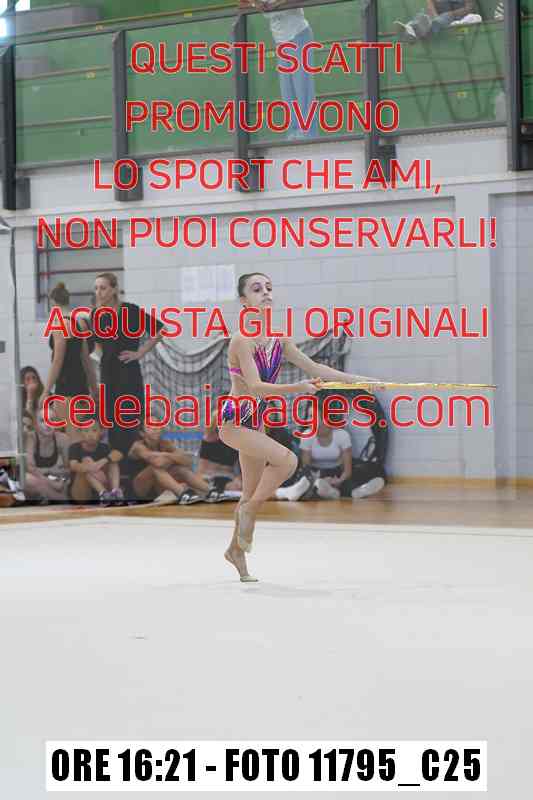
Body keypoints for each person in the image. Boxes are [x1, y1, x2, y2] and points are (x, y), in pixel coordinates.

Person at [218, 272, 386, 581]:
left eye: (269, 288)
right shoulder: (241, 340)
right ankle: (251, 510)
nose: (265, 293)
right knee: (288, 461)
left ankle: (235, 552)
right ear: (244, 301)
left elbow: (316, 368)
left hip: (256, 422)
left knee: (250, 491)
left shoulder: (279, 340)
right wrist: (298, 388)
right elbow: (255, 386)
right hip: (235, 420)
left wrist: (362, 381)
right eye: (256, 289)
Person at [89, 272, 164, 455]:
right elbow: (97, 343)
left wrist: (140, 353)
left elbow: (160, 330)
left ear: (114, 289)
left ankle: (134, 459)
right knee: (112, 420)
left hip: (129, 373)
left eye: (103, 288)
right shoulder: (96, 314)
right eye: (96, 288)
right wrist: (104, 356)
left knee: (130, 418)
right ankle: (117, 461)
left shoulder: (130, 310)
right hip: (108, 374)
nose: (99, 292)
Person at [249, 0, 318, 139]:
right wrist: (255, 4)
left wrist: (277, 4)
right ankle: (293, 132)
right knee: (287, 91)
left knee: (302, 87)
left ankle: (309, 134)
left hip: (298, 35)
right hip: (280, 41)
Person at [41, 281, 97, 440]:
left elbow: (57, 361)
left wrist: (46, 391)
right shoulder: (79, 323)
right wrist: (94, 389)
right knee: (79, 435)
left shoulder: (60, 323)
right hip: (80, 385)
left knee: (72, 437)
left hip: (66, 387)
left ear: (52, 303)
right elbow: (86, 360)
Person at [125, 422, 224, 505]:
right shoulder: (138, 446)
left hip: (156, 488)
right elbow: (157, 462)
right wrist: (173, 457)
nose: (155, 428)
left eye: (157, 425)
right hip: (138, 489)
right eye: (150, 427)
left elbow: (188, 461)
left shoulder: (165, 443)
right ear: (142, 433)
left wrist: (166, 456)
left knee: (180, 470)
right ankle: (183, 494)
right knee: (155, 468)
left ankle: (211, 491)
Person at [68, 418, 123, 505]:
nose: (90, 435)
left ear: (101, 432)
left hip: (101, 482)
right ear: (80, 432)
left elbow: (119, 454)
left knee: (113, 462)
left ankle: (115, 492)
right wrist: (91, 467)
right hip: (81, 492)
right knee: (86, 463)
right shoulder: (75, 447)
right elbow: (73, 466)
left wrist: (102, 462)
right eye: (86, 431)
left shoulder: (104, 447)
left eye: (94, 430)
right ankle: (104, 494)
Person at [22, 410, 70, 503]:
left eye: (51, 420)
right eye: (43, 421)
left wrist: (61, 479)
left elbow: (68, 468)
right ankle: (62, 500)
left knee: (67, 483)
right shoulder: (31, 437)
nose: (48, 424)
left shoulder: (63, 439)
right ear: (36, 425)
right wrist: (52, 483)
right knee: (27, 479)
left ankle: (50, 497)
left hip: (55, 478)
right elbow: (30, 468)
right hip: (39, 480)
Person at [198, 415, 242, 493]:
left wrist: (238, 480)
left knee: (238, 486)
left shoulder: (236, 442)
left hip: (228, 477)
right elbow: (202, 469)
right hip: (209, 476)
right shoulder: (209, 439)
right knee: (201, 484)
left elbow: (241, 467)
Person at [395, 0, 477, 41]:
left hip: (455, 16)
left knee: (438, 21)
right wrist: (435, 15)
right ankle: (410, 28)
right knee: (423, 15)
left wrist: (452, 14)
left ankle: (418, 33)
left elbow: (469, 8)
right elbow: (430, 3)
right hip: (438, 15)